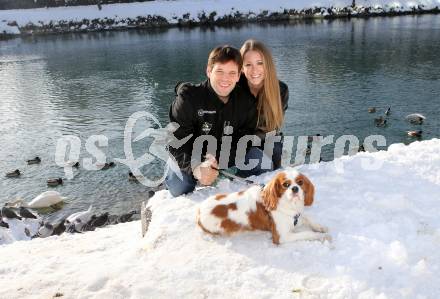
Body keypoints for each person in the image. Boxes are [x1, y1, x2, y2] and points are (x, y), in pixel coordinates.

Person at [165, 45, 273, 197]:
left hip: (226, 155)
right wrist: (196, 167)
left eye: (231, 73)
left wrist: (220, 161)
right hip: (191, 156)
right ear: (209, 71)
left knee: (263, 163)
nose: (225, 79)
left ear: (238, 75)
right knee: (179, 187)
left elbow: (247, 139)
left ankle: (228, 180)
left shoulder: (246, 101)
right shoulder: (188, 99)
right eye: (219, 71)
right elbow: (175, 143)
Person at [239, 39, 289, 169]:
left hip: (266, 139)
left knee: (276, 152)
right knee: (261, 163)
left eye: (259, 63)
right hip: (238, 144)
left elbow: (272, 128)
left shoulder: (281, 90)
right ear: (242, 68)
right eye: (248, 64)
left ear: (267, 64)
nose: (254, 70)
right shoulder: (234, 88)